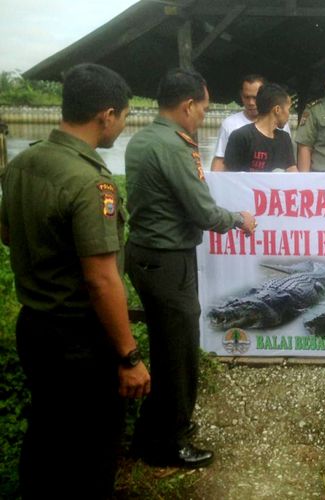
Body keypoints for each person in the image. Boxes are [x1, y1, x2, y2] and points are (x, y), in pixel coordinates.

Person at [0, 63, 151, 498]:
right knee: (92, 447)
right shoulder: (90, 182)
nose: (122, 127)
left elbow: (8, 235)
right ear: (106, 115)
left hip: (34, 327)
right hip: (80, 339)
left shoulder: (24, 162)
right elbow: (102, 280)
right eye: (123, 117)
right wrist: (129, 357)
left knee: (46, 431)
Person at [125, 68, 257, 468]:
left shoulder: (143, 138)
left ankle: (153, 430)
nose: (203, 115)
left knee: (167, 348)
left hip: (145, 254)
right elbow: (202, 211)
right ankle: (169, 441)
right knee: (178, 353)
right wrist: (238, 219)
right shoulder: (175, 148)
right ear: (186, 106)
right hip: (168, 260)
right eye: (202, 108)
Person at [210, 74, 291, 171]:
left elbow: (290, 167)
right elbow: (221, 161)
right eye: (246, 97)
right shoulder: (231, 125)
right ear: (241, 95)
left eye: (255, 98)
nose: (251, 102)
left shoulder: (283, 131)